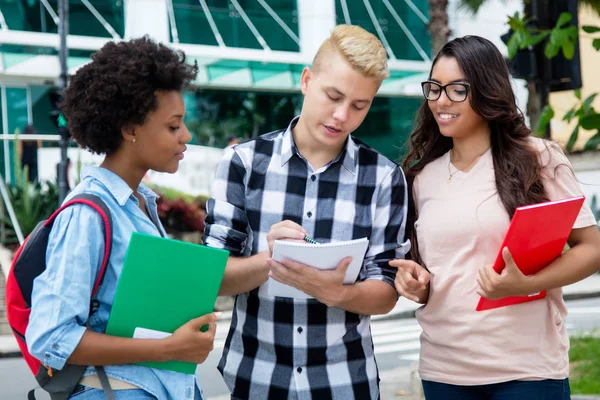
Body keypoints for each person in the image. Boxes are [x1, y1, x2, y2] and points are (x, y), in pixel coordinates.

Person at [204, 24, 409, 399]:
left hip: (344, 382)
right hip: (256, 379)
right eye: (333, 96)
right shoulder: (243, 164)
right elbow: (212, 277)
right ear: (306, 81)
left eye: (359, 106)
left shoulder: (384, 178)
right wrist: (269, 260)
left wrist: (338, 293)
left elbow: (387, 290)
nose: (341, 115)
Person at [391, 35, 600, 400]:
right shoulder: (421, 179)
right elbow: (438, 273)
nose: (441, 100)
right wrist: (415, 284)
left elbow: (591, 250)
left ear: (488, 90)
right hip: (444, 371)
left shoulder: (539, 158)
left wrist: (523, 284)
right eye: (434, 88)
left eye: (457, 89)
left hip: (526, 371)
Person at [25, 37, 219, 400]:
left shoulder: (138, 203)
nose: (186, 136)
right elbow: (51, 336)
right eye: (173, 126)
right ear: (130, 130)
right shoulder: (88, 214)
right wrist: (169, 349)